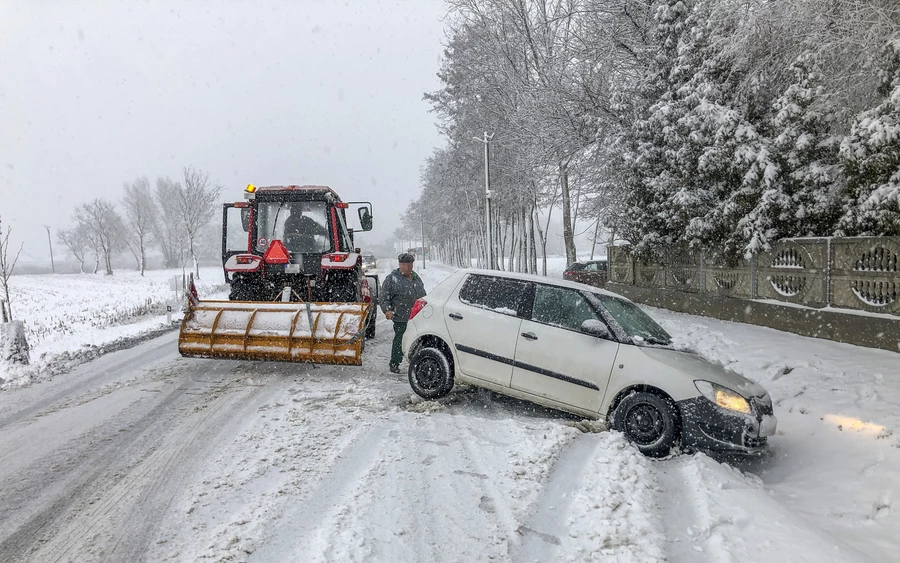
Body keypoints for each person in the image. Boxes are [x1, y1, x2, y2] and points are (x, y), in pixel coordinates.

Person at [381, 253, 426, 373]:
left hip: (417, 316)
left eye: (411, 264)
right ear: (400, 264)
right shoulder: (392, 279)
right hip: (401, 315)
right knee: (400, 339)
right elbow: (384, 297)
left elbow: (423, 294)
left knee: (419, 340)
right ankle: (395, 363)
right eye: (406, 264)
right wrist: (387, 310)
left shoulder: (416, 277)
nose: (409, 267)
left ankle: (418, 363)